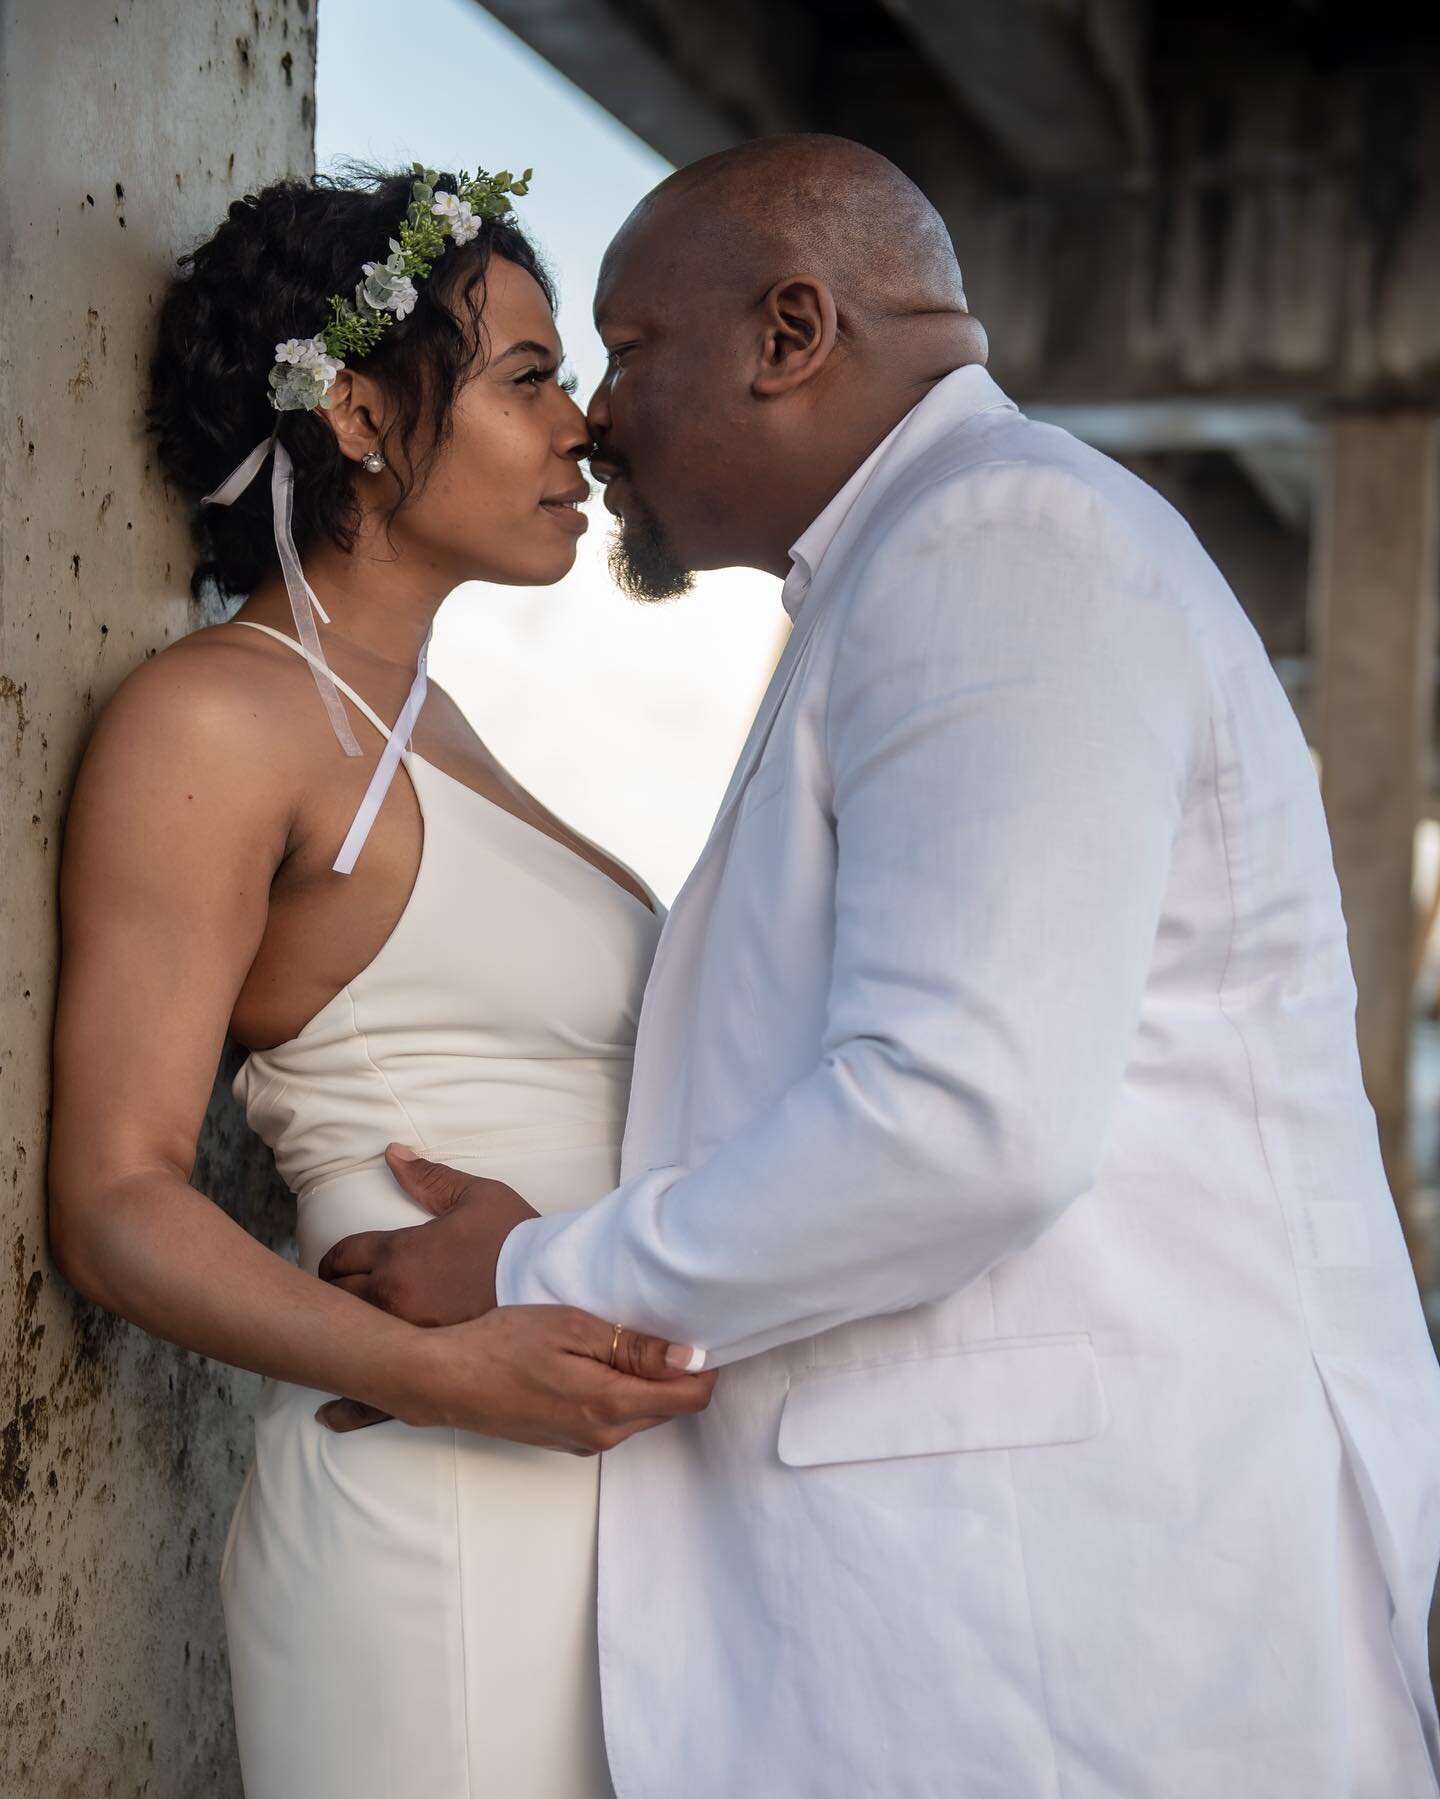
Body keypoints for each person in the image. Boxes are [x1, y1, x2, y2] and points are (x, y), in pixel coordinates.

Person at [327, 135, 1440, 1797]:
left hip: (1085, 1610)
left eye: (629, 351)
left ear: (791, 334)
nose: (599, 416)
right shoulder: (915, 562)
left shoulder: (1002, 546)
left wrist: (538, 1278)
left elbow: (965, 1117)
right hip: (1033, 1593)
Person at [47, 164, 714, 1799]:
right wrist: (441, 1373)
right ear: (356, 409)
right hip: (444, 1518)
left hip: (596, 1515)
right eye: (529, 375)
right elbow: (116, 1194)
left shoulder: (433, 721)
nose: (585, 427)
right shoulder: (224, 719)